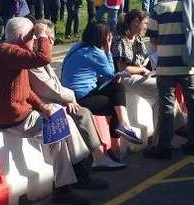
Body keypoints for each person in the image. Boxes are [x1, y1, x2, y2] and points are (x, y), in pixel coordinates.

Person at [0, 17, 95, 205]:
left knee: (57, 114)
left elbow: (25, 90)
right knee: (57, 129)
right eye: (32, 37)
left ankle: (78, 165)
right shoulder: (7, 51)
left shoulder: (10, 54)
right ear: (21, 36)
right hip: (13, 118)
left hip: (19, 114)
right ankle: (65, 186)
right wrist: (43, 32)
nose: (35, 41)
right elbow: (43, 57)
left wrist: (42, 107)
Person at [29, 21, 123, 174]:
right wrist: (69, 99)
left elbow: (55, 86)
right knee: (84, 113)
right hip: (48, 106)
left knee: (116, 96)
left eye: (50, 38)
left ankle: (104, 153)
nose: (51, 42)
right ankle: (97, 158)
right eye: (47, 38)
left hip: (60, 99)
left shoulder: (76, 48)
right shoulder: (36, 61)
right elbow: (51, 89)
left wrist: (67, 98)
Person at [61, 21, 145, 157]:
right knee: (116, 101)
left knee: (116, 92)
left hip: (72, 94)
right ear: (103, 37)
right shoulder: (96, 53)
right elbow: (111, 72)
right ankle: (118, 143)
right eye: (108, 34)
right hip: (81, 97)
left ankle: (120, 136)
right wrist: (108, 49)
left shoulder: (77, 46)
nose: (110, 36)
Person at [143, 0, 194, 159]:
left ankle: (165, 146)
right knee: (193, 106)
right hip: (190, 65)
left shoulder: (158, 8)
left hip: (167, 66)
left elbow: (153, 39)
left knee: (167, 107)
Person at [111, 10, 161, 139]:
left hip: (137, 75)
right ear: (135, 22)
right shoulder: (119, 39)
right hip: (123, 79)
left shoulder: (137, 38)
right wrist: (142, 70)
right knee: (163, 89)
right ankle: (159, 137)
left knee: (165, 90)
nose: (146, 26)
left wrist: (148, 70)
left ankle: (165, 131)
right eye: (145, 23)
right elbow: (122, 68)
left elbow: (143, 61)